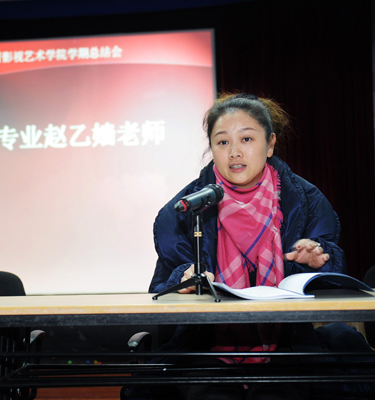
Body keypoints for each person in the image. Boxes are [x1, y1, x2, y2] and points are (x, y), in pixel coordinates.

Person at [147, 93, 348, 400]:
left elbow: (335, 280)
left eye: (247, 139)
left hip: (288, 350)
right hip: (204, 352)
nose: (234, 152)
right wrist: (183, 280)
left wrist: (318, 261)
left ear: (270, 144)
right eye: (222, 142)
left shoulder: (304, 201)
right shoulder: (186, 208)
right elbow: (160, 290)